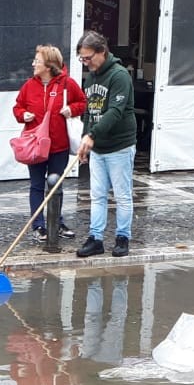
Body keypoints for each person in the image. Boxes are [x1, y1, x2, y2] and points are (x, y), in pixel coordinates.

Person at [13, 44, 86, 242]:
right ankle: (38, 226)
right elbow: (17, 107)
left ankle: (57, 222)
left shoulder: (67, 84)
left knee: (56, 186)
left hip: (58, 146)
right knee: (37, 185)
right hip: (35, 144)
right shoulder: (29, 85)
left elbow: (82, 103)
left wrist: (71, 109)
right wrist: (23, 115)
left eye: (37, 61)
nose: (33, 64)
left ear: (48, 65)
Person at [74, 31, 136, 258]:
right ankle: (96, 238)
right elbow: (90, 112)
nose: (85, 63)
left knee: (121, 195)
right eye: (82, 59)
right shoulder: (90, 77)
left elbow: (115, 112)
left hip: (119, 145)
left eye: (88, 58)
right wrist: (85, 139)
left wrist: (93, 135)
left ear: (102, 52)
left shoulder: (119, 76)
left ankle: (123, 237)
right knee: (97, 194)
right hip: (98, 146)